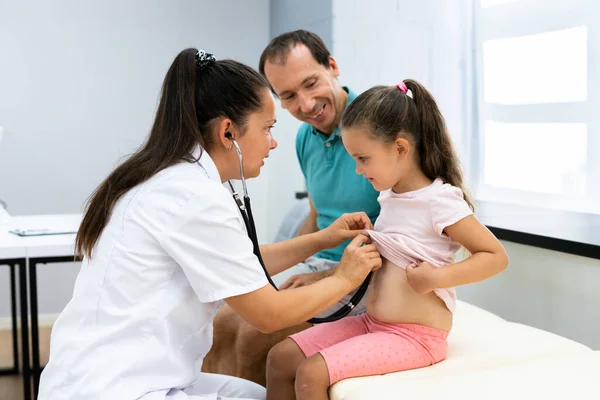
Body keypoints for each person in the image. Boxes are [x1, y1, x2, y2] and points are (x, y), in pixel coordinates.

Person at [37, 48, 382, 400]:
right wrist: (345, 277)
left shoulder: (169, 177)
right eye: (267, 128)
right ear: (227, 133)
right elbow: (268, 314)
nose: (274, 142)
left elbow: (240, 260)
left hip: (116, 370)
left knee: (253, 394)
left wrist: (320, 240)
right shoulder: (193, 197)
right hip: (117, 386)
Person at [266, 80, 510, 400]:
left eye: (363, 158)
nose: (357, 169)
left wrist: (437, 277)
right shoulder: (389, 195)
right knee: (280, 358)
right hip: (372, 323)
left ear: (400, 148)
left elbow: (495, 255)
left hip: (415, 336)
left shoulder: (440, 200)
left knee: (312, 372)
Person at [203, 29, 381, 387]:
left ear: (332, 66)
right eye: (288, 96)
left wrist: (327, 277)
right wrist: (285, 274)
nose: (305, 104)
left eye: (311, 83)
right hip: (324, 264)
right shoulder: (304, 138)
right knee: (220, 321)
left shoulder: (378, 125)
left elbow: (406, 234)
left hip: (370, 272)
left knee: (255, 334)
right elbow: (316, 216)